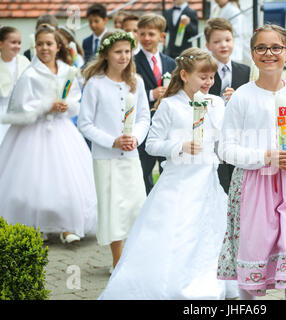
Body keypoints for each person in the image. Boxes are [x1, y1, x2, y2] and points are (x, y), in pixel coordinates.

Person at [99, 48, 229, 299]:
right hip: (179, 182)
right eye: (203, 77)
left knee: (208, 232)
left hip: (207, 180)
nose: (209, 82)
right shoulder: (169, 106)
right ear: (184, 75)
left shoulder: (216, 103)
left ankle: (207, 278)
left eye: (212, 77)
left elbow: (222, 140)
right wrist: (179, 146)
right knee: (178, 232)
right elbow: (152, 144)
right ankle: (170, 282)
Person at [217, 24, 286, 300]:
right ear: (253, 54)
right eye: (261, 48)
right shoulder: (242, 97)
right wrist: (262, 157)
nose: (269, 53)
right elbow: (226, 149)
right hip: (254, 186)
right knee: (254, 259)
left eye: (276, 47)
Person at [0, 26, 97, 243]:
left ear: (58, 47)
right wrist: (45, 106)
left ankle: (66, 226)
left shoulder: (67, 70)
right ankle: (35, 225)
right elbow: (20, 107)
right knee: (33, 181)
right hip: (33, 132)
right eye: (41, 44)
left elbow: (75, 96)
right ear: (35, 46)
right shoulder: (30, 74)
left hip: (62, 131)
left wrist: (67, 105)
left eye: (49, 44)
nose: (45, 48)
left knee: (66, 180)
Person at [78, 31, 150, 272]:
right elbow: (85, 123)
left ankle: (133, 257)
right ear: (106, 53)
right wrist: (113, 141)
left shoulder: (136, 82)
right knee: (112, 209)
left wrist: (135, 138)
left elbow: (143, 117)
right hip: (105, 157)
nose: (124, 56)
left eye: (127, 51)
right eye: (118, 51)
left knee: (135, 206)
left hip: (131, 156)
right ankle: (118, 261)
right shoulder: (95, 84)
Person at [204, 17, 250, 194]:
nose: (223, 45)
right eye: (217, 41)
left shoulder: (245, 71)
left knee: (236, 182)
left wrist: (238, 98)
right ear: (208, 45)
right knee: (217, 181)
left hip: (238, 135)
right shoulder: (203, 72)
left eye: (227, 40)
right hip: (213, 135)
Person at [134, 13, 177, 195]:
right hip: (144, 125)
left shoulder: (170, 62)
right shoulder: (132, 62)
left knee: (168, 171)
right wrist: (151, 94)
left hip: (167, 126)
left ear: (161, 36)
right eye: (142, 33)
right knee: (143, 172)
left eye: (151, 34)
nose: (146, 38)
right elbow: (128, 93)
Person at [0, 26, 30, 144]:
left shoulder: (24, 62)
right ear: (1, 44)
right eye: (13, 42)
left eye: (19, 43)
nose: (17, 46)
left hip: (19, 113)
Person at [211, 0, 251, 66]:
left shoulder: (233, 10)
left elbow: (236, 31)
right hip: (218, 47)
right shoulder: (215, 8)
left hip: (233, 50)